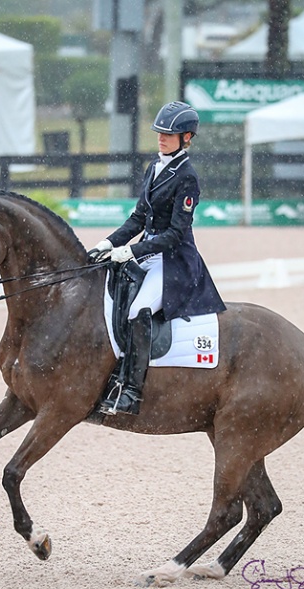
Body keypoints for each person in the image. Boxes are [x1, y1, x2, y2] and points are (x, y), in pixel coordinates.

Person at [89, 101, 226, 416]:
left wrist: (133, 251)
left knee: (139, 310)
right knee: (111, 296)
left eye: (169, 134)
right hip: (148, 252)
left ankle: (131, 391)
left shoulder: (187, 177)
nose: (162, 139)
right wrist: (108, 243)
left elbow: (176, 233)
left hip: (173, 261)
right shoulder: (154, 168)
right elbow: (138, 219)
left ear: (186, 137)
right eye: (160, 133)